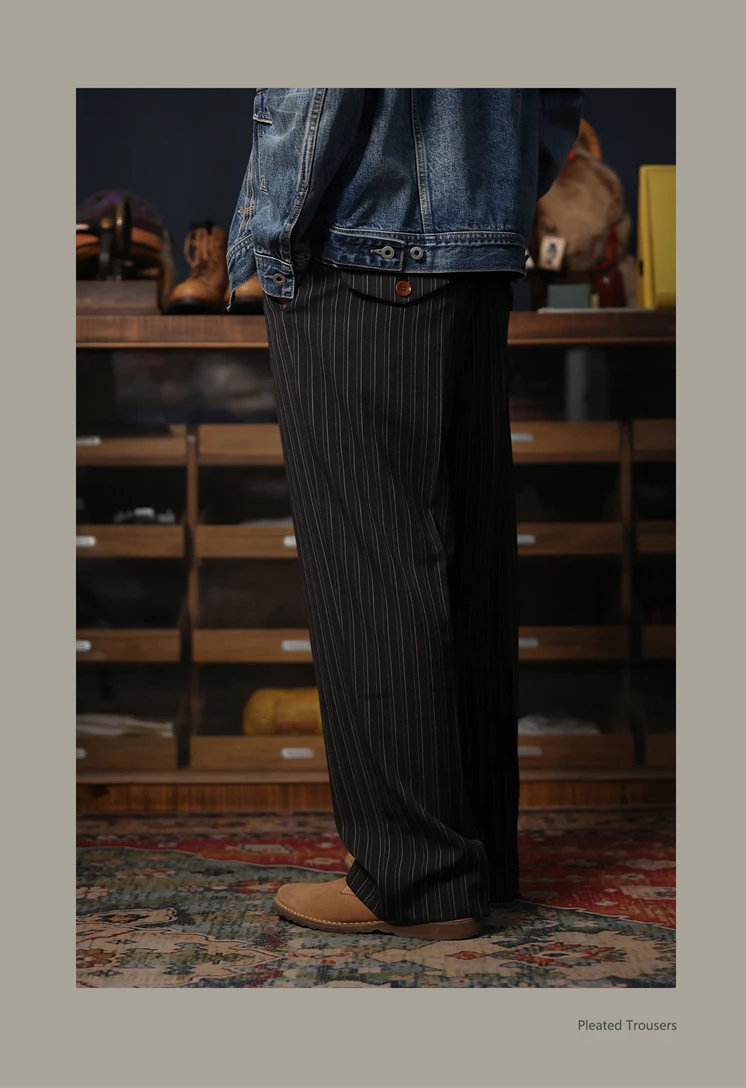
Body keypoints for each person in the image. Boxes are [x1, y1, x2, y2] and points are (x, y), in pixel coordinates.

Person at [226, 88, 584, 941]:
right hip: (477, 249)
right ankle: (474, 860)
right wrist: (497, 197)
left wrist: (270, 231)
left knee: (372, 563)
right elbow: (560, 84)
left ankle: (418, 875)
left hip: (359, 239)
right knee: (464, 558)